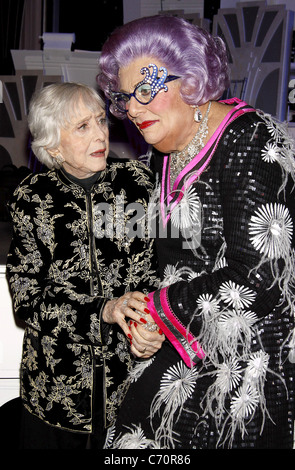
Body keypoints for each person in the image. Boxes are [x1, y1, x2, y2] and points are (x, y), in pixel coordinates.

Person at [97, 15, 295, 449]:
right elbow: (175, 264)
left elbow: (261, 278)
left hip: (242, 373)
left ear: (189, 79)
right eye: (124, 97)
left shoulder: (250, 140)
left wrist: (161, 309)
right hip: (184, 349)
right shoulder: (164, 155)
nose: (131, 108)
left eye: (146, 90)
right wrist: (147, 324)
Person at [5, 82, 164, 449]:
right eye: (82, 127)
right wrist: (103, 311)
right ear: (52, 145)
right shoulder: (31, 200)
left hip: (129, 391)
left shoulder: (137, 185)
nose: (100, 135)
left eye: (100, 121)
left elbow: (157, 268)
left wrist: (154, 321)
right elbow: (28, 300)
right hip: (56, 398)